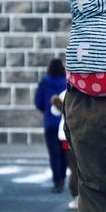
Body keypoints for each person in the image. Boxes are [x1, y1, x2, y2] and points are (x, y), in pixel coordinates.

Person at [35, 58, 68, 193]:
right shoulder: (66, 82)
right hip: (64, 123)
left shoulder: (44, 82)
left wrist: (47, 111)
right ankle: (62, 177)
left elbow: (38, 102)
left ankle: (57, 181)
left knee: (53, 154)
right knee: (64, 153)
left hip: (49, 123)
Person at [52, 91, 79, 210]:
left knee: (74, 168)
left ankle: (76, 198)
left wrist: (60, 105)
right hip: (82, 134)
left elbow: (54, 111)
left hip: (66, 136)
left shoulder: (66, 92)